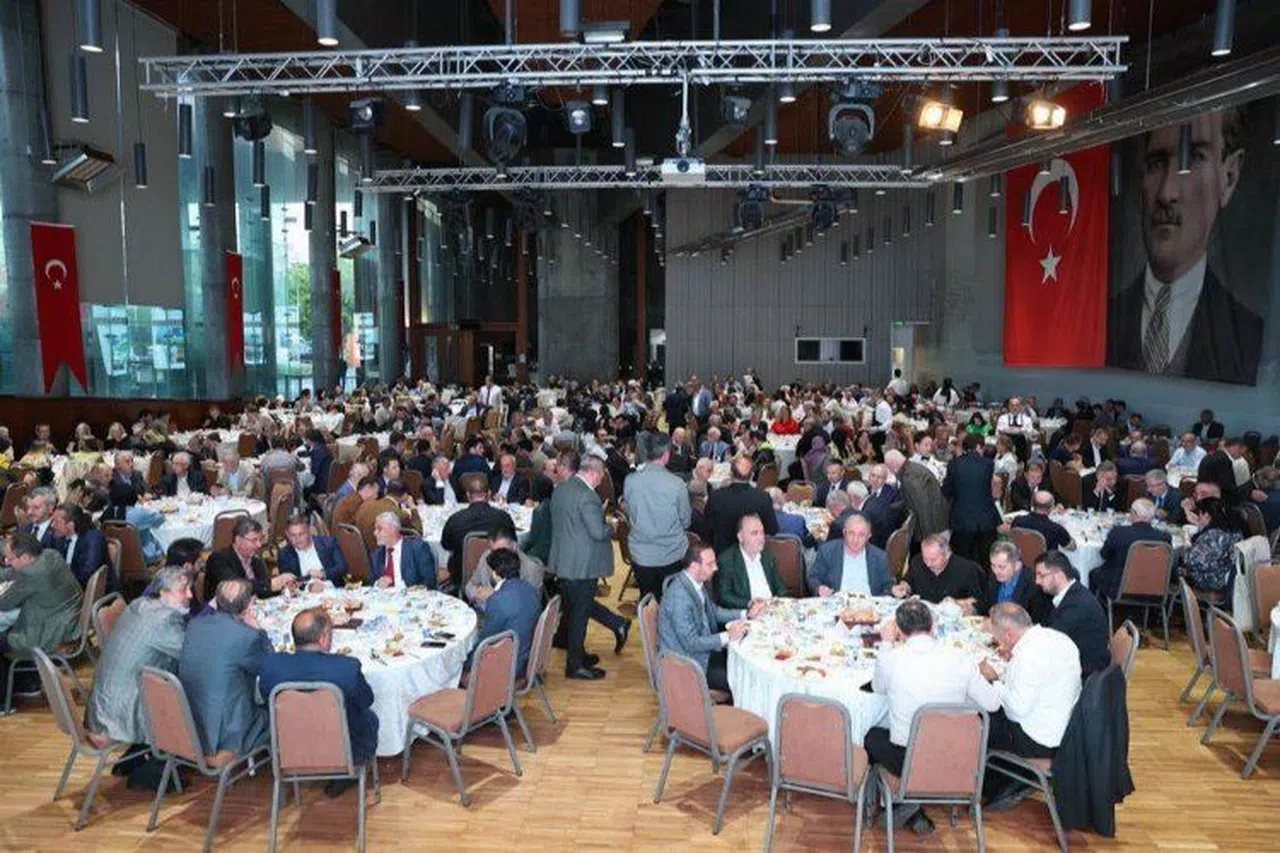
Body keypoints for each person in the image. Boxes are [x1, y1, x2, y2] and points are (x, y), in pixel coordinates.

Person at [1107, 110, 1262, 385]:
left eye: (1193, 159)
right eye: (1156, 164)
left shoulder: (1250, 332)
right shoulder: (1101, 320)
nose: (1166, 193)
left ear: (1228, 176)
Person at [866, 599, 990, 836]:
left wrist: (886, 643)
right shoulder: (961, 657)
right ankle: (912, 806)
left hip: (907, 758)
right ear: (933, 626)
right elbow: (991, 704)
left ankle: (900, 802)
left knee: (870, 734)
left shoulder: (892, 658)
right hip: (959, 754)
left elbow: (878, 687)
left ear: (900, 631)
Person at [85, 567, 191, 787]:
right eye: (183, 590)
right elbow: (192, 657)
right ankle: (159, 763)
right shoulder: (165, 619)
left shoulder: (139, 604)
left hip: (103, 708)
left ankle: (140, 754)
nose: (190, 594)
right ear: (163, 592)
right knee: (191, 691)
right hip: (121, 715)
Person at [970, 603, 1082, 811]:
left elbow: (1015, 711)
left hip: (1037, 738)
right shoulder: (1057, 638)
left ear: (1009, 634)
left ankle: (985, 785)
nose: (997, 642)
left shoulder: (1027, 658)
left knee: (975, 717)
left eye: (997, 637)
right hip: (1065, 728)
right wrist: (1008, 670)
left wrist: (994, 680)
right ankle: (1002, 780)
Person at [259, 608, 377, 797]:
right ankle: (348, 772)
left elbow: (265, 698)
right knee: (369, 717)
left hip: (290, 752)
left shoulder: (271, 666)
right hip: (344, 752)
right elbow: (367, 700)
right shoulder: (347, 668)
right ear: (323, 639)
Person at [548, 453, 628, 680]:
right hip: (582, 565)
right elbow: (597, 532)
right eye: (601, 475)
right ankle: (575, 666)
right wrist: (613, 526)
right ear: (593, 472)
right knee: (579, 616)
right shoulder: (588, 496)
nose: (602, 480)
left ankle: (579, 655)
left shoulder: (561, 488)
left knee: (575, 609)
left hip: (564, 559)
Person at [178, 579, 273, 757]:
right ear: (248, 606)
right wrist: (259, 630)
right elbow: (271, 666)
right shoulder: (247, 636)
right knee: (280, 709)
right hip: (227, 734)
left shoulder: (195, 625)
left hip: (190, 722)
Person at [657, 546, 762, 694]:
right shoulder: (679, 598)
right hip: (688, 663)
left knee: (747, 665)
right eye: (710, 564)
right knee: (744, 680)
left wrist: (746, 614)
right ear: (694, 566)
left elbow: (714, 611)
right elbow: (691, 644)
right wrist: (728, 636)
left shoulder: (696, 583)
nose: (716, 568)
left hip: (703, 651)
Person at [0, 533, 84, 693]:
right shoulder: (51, 555)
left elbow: (4, 603)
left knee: (3, 632)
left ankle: (6, 696)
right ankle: (28, 681)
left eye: (10, 559)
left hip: (46, 635)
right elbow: (15, 572)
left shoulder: (32, 575)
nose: (7, 562)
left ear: (25, 557)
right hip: (66, 622)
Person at [623, 435, 692, 601]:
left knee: (648, 602)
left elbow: (630, 513)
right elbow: (686, 521)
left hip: (641, 555)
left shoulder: (630, 481)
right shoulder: (677, 484)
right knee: (672, 603)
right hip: (672, 554)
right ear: (666, 455)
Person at [1034, 551, 1111, 676]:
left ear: (1058, 575)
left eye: (1041, 575)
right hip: (1077, 664)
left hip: (1085, 675)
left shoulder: (1077, 605)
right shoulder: (1073, 594)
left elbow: (1050, 641)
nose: (1037, 581)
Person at [467, 549, 541, 675]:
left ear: (495, 574)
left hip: (508, 665)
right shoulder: (531, 590)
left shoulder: (497, 600)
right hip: (527, 657)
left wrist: (464, 657)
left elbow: (486, 640)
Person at [1090, 499, 1172, 600]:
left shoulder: (1119, 532)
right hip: (1154, 588)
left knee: (1093, 574)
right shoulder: (1165, 537)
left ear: (1134, 513)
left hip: (1121, 586)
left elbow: (1104, 555)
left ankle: (1099, 607)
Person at [440, 477, 513, 590]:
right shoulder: (503, 517)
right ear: (488, 494)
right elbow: (513, 542)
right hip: (498, 571)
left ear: (468, 495)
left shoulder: (455, 519)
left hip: (462, 574)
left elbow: (446, 545)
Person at [943, 433, 1002, 564]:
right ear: (979, 447)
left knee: (962, 562)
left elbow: (947, 491)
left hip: (962, 520)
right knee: (986, 561)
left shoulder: (953, 464)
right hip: (986, 520)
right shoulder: (988, 464)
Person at [204, 517, 295, 601]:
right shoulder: (218, 559)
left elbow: (264, 590)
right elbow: (237, 587)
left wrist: (283, 588)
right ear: (238, 540)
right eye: (254, 540)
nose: (259, 545)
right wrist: (272, 584)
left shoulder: (256, 559)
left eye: (260, 539)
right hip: (225, 610)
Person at [892, 534, 987, 614]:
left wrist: (957, 603)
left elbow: (978, 602)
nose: (928, 564)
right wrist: (903, 587)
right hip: (923, 615)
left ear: (947, 554)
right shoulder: (917, 561)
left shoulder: (967, 569)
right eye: (925, 558)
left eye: (933, 559)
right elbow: (908, 581)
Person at [806, 513, 894, 597]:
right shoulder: (827, 551)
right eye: (851, 533)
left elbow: (888, 585)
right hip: (836, 603)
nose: (855, 540)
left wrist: (891, 591)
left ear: (868, 536)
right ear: (844, 533)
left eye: (861, 535)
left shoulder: (879, 557)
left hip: (869, 604)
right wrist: (819, 588)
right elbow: (813, 578)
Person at [704, 455, 778, 554]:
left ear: (730, 474)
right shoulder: (763, 497)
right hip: (752, 554)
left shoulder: (716, 496)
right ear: (752, 475)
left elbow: (708, 529)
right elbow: (772, 529)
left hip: (722, 554)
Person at [715, 514, 787, 609]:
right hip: (748, 612)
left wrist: (781, 601)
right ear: (740, 537)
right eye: (754, 533)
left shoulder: (767, 555)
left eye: (762, 532)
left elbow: (780, 587)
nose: (761, 537)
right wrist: (749, 603)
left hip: (772, 608)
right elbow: (725, 596)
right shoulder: (727, 560)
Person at [465, 522, 545, 607]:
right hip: (482, 610)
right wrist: (477, 593)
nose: (497, 557)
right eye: (493, 551)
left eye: (502, 551)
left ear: (514, 546)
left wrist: (494, 597)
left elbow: (530, 607)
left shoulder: (532, 570)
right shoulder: (486, 557)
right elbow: (470, 585)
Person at [1182, 496, 1246, 593]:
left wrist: (1187, 542)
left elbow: (1190, 561)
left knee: (1173, 566)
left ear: (1207, 515)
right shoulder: (1234, 530)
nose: (1199, 517)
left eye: (1200, 514)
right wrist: (1199, 524)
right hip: (1228, 578)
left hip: (1211, 580)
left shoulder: (1212, 536)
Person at [884, 449, 948, 546]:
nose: (890, 470)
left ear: (893, 464)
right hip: (938, 521)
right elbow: (912, 499)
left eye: (889, 467)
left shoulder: (909, 477)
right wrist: (891, 506)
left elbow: (923, 507)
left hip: (934, 528)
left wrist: (928, 538)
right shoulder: (912, 468)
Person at [984, 541, 1050, 624]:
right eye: (993, 565)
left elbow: (1038, 621)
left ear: (1017, 565)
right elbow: (987, 607)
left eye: (1002, 567)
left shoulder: (1034, 585)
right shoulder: (992, 577)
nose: (996, 571)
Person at [369, 511, 437, 588]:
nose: (375, 533)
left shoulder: (418, 549)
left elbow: (429, 582)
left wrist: (402, 587)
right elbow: (370, 582)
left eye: (379, 529)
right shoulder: (377, 555)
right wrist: (377, 584)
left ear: (393, 529)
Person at [49, 503, 109, 589]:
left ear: (71, 524)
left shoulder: (93, 539)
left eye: (56, 522)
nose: (52, 525)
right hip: (67, 587)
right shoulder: (59, 539)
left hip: (89, 589)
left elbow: (88, 573)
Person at [278, 514, 348, 585]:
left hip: (333, 588)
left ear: (309, 531)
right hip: (304, 590)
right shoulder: (284, 554)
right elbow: (287, 583)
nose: (297, 539)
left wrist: (323, 575)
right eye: (293, 535)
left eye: (301, 534)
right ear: (287, 535)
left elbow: (342, 568)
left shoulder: (328, 543)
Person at [1009, 490, 1076, 551]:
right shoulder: (1056, 529)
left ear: (1032, 505)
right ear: (1051, 508)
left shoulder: (1017, 521)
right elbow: (1072, 547)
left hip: (1020, 558)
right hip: (1046, 560)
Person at [450, 436, 492, 501]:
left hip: (461, 499)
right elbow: (490, 479)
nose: (483, 450)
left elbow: (454, 481)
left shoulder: (458, 463)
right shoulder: (482, 462)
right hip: (481, 497)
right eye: (480, 448)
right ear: (471, 449)